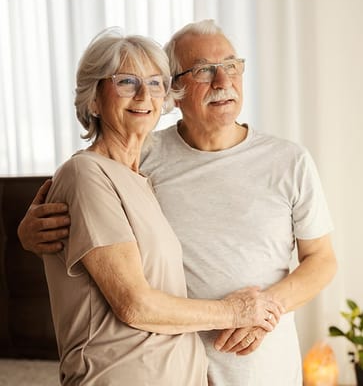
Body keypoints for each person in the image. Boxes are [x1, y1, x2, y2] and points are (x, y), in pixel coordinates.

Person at [18, 20, 337, 386]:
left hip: (259, 366)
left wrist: (261, 310)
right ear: (177, 89)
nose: (223, 81)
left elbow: (323, 260)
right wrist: (31, 232)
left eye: (232, 65)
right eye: (204, 70)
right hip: (169, 368)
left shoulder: (289, 160)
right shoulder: (142, 156)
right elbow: (86, 190)